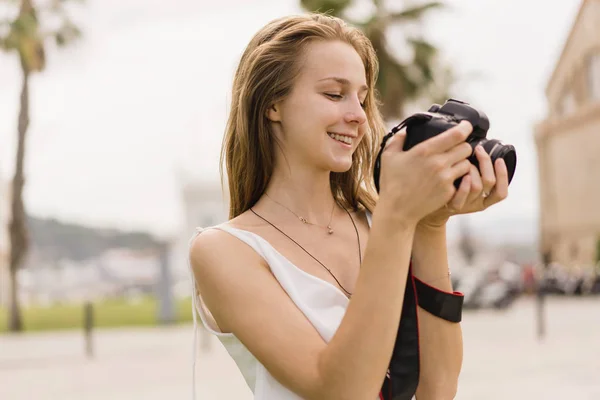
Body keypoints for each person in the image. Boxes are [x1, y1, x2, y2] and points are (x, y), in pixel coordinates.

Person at [188, 12, 509, 400]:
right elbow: (341, 390)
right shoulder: (225, 250)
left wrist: (430, 225)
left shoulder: (383, 217)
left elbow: (438, 390)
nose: (358, 115)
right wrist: (399, 215)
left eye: (361, 96)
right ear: (273, 105)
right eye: (334, 94)